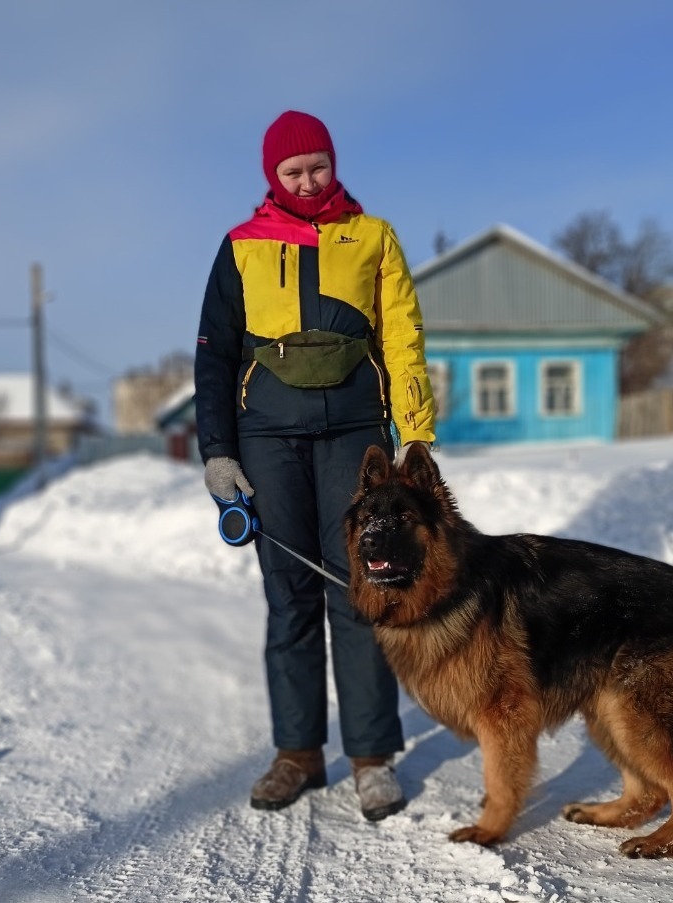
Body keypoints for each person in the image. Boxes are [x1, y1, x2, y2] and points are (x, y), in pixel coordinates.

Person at [194, 110, 436, 821]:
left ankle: (370, 757)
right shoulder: (239, 247)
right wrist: (218, 450)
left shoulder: (372, 237)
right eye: (292, 172)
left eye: (317, 168)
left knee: (360, 589)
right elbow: (214, 354)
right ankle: (297, 753)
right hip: (266, 436)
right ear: (272, 176)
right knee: (290, 593)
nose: (307, 181)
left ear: (334, 164)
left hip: (354, 437)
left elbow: (403, 335)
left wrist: (414, 432)